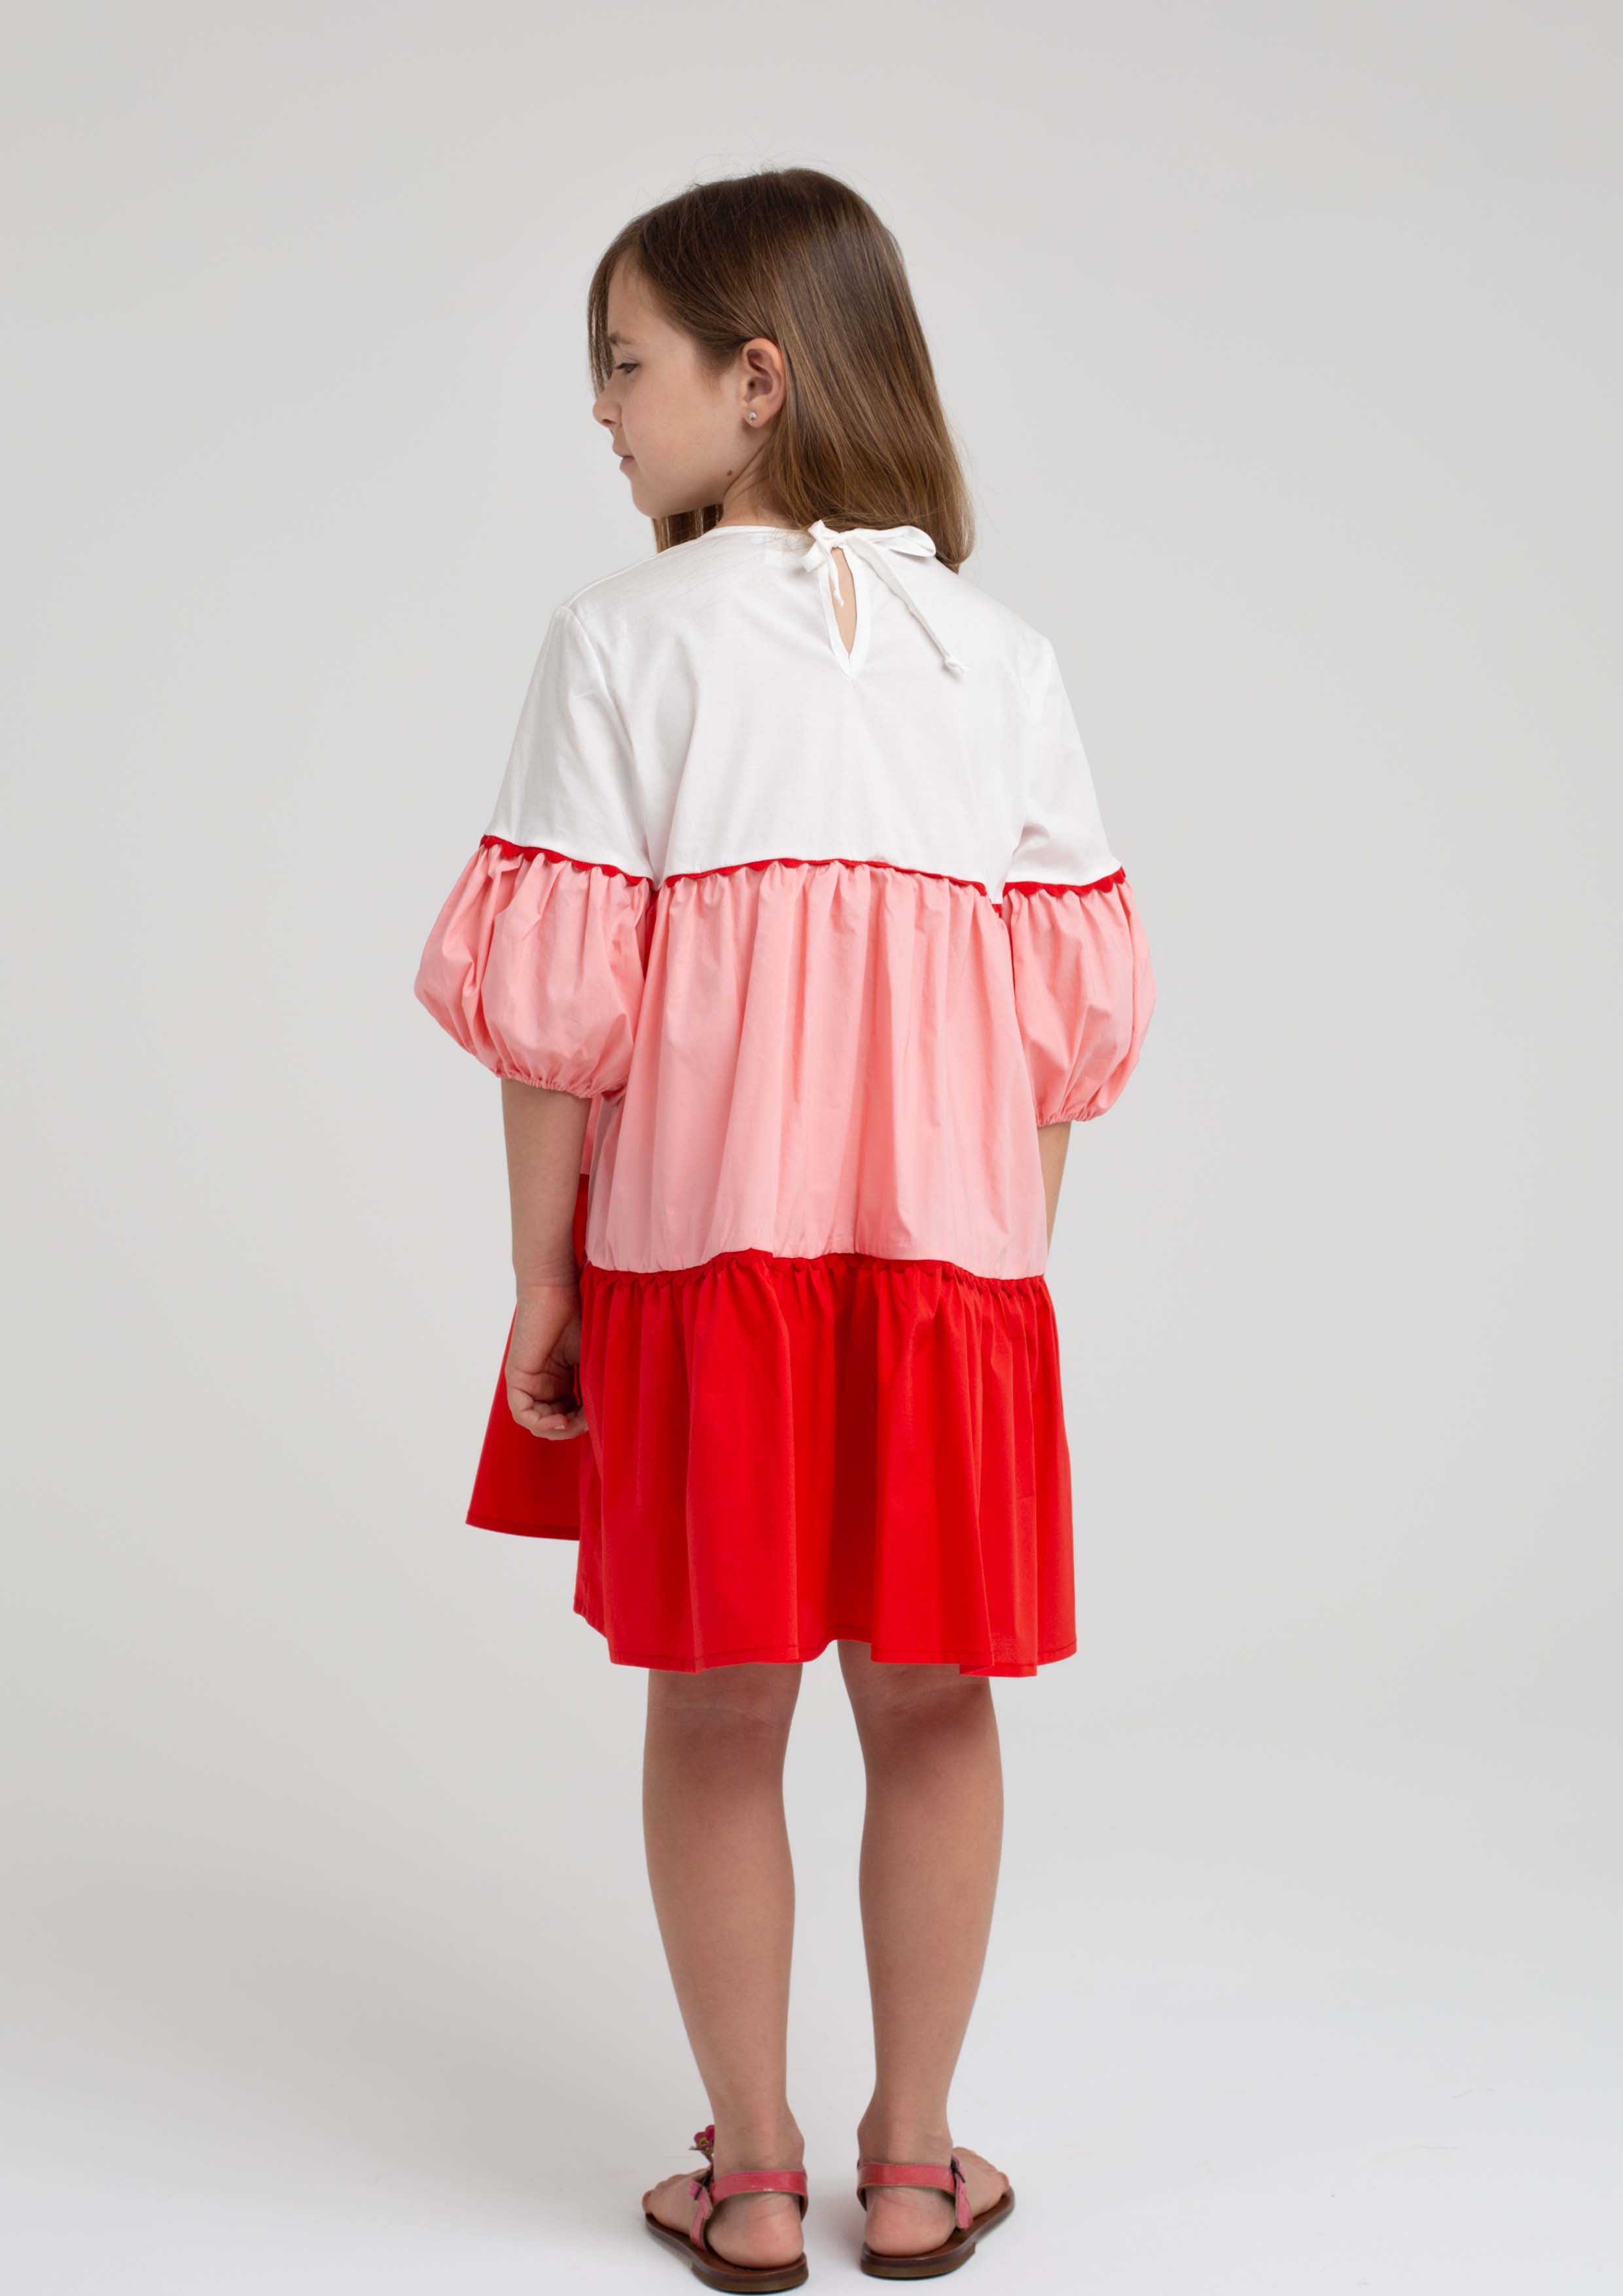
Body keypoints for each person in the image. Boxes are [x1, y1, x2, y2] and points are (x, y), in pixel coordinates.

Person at [414, 166, 1156, 2290]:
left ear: (759, 381)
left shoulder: (618, 645)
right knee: (933, 1703)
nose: (602, 409)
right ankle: (914, 2165)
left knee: (719, 1708)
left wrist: (545, 1281)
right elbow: (1061, 1041)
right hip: (957, 1279)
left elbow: (556, 1022)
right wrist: (999, 1284)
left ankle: (750, 2177)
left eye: (623, 363)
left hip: (697, 1268)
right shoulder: (1002, 661)